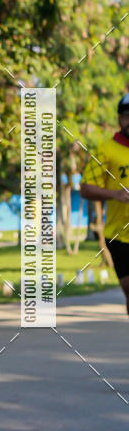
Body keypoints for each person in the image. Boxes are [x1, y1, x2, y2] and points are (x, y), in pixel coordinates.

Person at [80, 92, 129, 315]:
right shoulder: (105, 149)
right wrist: (115, 194)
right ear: (119, 119)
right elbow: (85, 188)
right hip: (119, 236)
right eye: (126, 116)